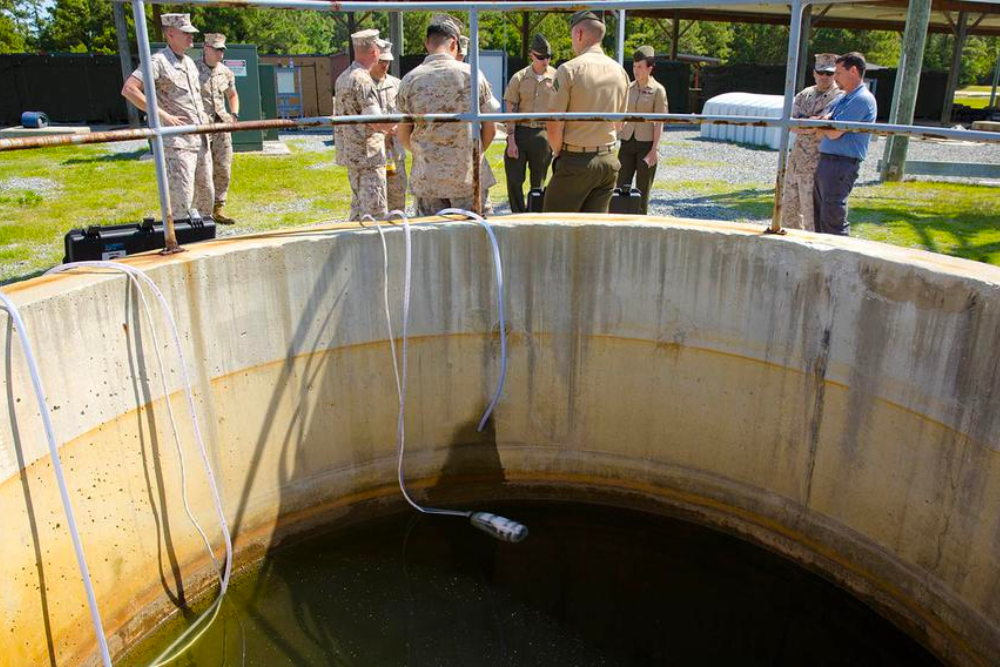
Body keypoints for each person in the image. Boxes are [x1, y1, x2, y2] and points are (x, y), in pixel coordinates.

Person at [397, 16, 497, 216]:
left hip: (428, 180)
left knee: (433, 241)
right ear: (454, 43)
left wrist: (425, 156)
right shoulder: (473, 75)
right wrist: (468, 155)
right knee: (475, 238)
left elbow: (403, 134)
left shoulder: (410, 80)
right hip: (469, 178)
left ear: (427, 43)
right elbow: (491, 129)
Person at [121, 13, 213, 223]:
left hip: (200, 141)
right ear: (170, 33)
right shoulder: (158, 61)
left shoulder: (190, 62)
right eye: (185, 33)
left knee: (206, 196)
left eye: (191, 33)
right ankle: (180, 241)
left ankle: (204, 239)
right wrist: (163, 116)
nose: (191, 37)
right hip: (178, 144)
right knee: (182, 199)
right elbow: (130, 89)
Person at [543, 11, 629, 213]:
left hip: (575, 160)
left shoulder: (569, 70)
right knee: (594, 231)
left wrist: (558, 153)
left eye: (573, 35)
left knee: (555, 226)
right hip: (608, 160)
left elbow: (553, 123)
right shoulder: (620, 72)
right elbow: (620, 123)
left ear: (579, 34)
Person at [812, 51, 877, 236]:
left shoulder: (862, 99)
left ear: (854, 71)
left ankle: (839, 260)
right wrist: (824, 122)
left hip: (841, 164)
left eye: (838, 73)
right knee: (821, 216)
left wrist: (824, 123)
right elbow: (822, 122)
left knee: (833, 219)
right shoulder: (843, 97)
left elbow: (833, 132)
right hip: (828, 161)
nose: (835, 78)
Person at [781, 53, 841, 231]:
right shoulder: (804, 95)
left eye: (829, 73)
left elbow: (824, 125)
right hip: (796, 159)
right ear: (814, 73)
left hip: (818, 162)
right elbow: (792, 123)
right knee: (788, 206)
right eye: (820, 72)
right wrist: (812, 123)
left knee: (811, 210)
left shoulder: (839, 97)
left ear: (835, 74)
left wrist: (809, 122)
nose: (824, 76)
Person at [334, 29, 390, 221]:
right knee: (374, 214)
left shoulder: (343, 77)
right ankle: (374, 252)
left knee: (358, 210)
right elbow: (376, 121)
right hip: (369, 157)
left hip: (352, 155)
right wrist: (397, 125)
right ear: (375, 52)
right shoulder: (364, 80)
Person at [503, 34, 556, 213]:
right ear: (532, 55)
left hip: (543, 134)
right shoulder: (519, 78)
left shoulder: (557, 78)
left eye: (548, 57)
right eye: (541, 57)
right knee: (514, 178)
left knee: (538, 181)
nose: (545, 61)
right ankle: (517, 214)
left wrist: (557, 141)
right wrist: (511, 139)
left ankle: (534, 214)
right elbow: (511, 108)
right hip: (520, 132)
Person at [617, 45, 668, 215]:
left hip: (646, 145)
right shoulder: (628, 88)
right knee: (620, 185)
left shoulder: (658, 90)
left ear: (650, 68)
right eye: (634, 66)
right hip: (627, 142)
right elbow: (622, 113)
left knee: (642, 189)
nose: (636, 70)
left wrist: (655, 150)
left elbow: (660, 122)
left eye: (640, 67)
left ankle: (640, 221)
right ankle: (619, 219)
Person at [197, 33, 240, 225]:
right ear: (206, 48)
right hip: (200, 126)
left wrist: (234, 114)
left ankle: (218, 208)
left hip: (221, 125)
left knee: (223, 167)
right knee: (202, 169)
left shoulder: (226, 72)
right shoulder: (192, 69)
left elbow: (232, 95)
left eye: (222, 49)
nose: (220, 53)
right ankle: (200, 211)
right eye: (216, 49)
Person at [456, 32, 499, 214]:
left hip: (437, 172)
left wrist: (478, 150)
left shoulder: (420, 77)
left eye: (462, 56)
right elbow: (491, 127)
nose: (461, 59)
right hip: (468, 168)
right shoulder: (474, 76)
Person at [371, 42, 407, 213]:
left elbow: (406, 114)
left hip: (395, 152)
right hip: (373, 154)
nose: (385, 65)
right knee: (374, 200)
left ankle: (399, 231)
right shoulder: (364, 85)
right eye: (381, 61)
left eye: (387, 61)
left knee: (398, 196)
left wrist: (398, 128)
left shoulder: (397, 85)